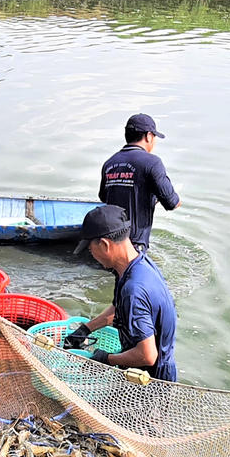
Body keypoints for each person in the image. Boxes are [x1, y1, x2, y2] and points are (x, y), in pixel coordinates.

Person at [65, 205, 178, 381]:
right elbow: (120, 308)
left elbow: (147, 355)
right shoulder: (137, 264)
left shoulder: (134, 290)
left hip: (151, 380)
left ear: (104, 245)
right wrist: (85, 329)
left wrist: (106, 359)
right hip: (140, 370)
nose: (91, 255)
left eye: (90, 249)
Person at [98, 113, 181, 252]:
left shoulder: (109, 163)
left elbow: (104, 197)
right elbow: (172, 203)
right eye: (154, 137)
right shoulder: (152, 162)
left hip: (107, 243)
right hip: (133, 246)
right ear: (148, 136)